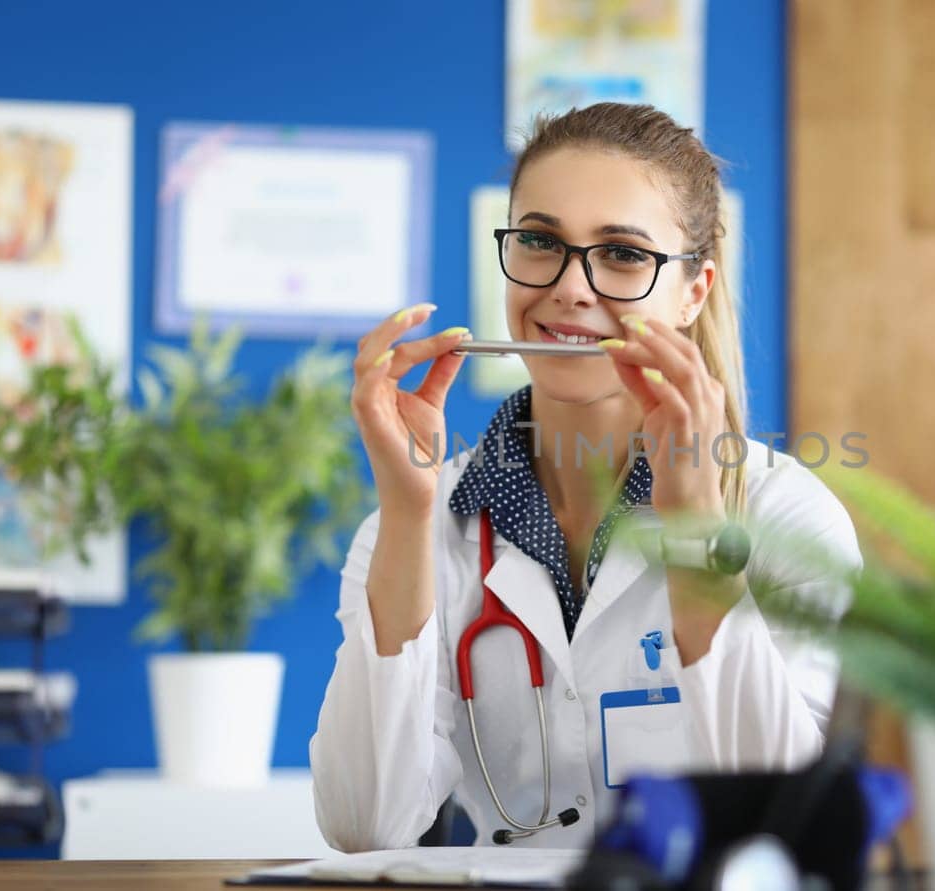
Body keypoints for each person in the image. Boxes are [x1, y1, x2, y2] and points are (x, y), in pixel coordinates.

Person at [310, 102, 860, 851]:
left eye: (623, 254)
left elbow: (783, 827)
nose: (571, 287)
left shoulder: (788, 517)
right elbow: (363, 826)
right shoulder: (416, 523)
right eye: (540, 241)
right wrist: (409, 517)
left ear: (693, 290)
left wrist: (699, 534)